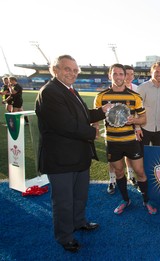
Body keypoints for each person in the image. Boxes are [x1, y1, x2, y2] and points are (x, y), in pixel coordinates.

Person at [35, 55, 112, 253]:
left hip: (78, 155)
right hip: (60, 159)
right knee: (63, 202)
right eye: (67, 69)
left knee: (79, 196)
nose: (72, 73)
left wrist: (102, 111)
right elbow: (65, 125)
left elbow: (83, 115)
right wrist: (92, 132)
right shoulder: (50, 92)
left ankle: (79, 222)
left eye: (75, 70)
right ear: (55, 70)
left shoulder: (68, 89)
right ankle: (65, 236)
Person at [94, 64, 157, 215]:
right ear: (110, 75)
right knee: (119, 172)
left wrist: (133, 121)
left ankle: (146, 200)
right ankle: (125, 200)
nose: (118, 77)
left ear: (125, 76)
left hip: (131, 140)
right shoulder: (101, 97)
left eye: (121, 74)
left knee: (140, 172)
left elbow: (143, 119)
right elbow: (95, 117)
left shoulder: (134, 96)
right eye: (115, 74)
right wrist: (95, 129)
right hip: (112, 141)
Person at [104, 65, 142, 193]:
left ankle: (131, 176)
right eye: (128, 74)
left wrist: (137, 126)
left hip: (129, 133)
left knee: (129, 157)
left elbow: (138, 112)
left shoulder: (136, 90)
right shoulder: (106, 93)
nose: (129, 77)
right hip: (112, 135)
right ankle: (112, 180)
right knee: (114, 161)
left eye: (132, 74)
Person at [137, 62, 160, 147]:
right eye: (157, 72)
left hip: (159, 129)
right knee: (142, 156)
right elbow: (136, 109)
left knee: (157, 156)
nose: (159, 74)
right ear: (151, 72)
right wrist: (137, 128)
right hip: (144, 128)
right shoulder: (142, 87)